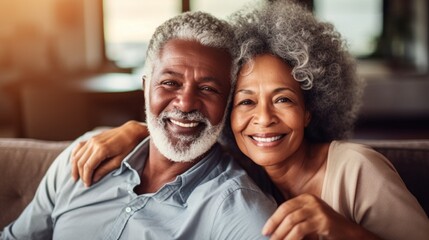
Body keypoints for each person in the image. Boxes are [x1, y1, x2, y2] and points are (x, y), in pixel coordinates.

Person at [69, 1, 429, 239]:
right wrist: (133, 132)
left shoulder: (357, 171)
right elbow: (181, 131)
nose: (263, 119)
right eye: (245, 101)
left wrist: (348, 233)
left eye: (283, 99)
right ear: (227, 111)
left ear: (309, 109)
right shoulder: (241, 168)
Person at [0, 11, 278, 240]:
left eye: (207, 89)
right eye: (170, 83)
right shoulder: (84, 156)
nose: (185, 103)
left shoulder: (237, 210)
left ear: (228, 103)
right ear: (146, 89)